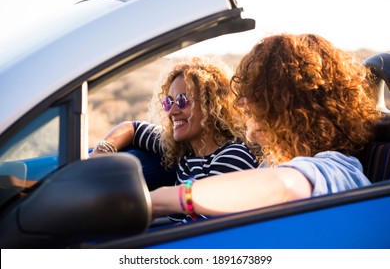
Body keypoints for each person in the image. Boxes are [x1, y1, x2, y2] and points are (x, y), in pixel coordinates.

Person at [150, 33, 383, 219]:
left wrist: (160, 201)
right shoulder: (271, 165)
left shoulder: (337, 167)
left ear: (286, 103)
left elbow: (285, 186)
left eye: (252, 94)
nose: (240, 103)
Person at [90, 57, 259, 222]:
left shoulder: (233, 157)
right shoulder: (183, 148)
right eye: (168, 102)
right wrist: (101, 152)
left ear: (211, 104)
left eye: (182, 101)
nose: (172, 111)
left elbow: (201, 230)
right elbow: (132, 128)